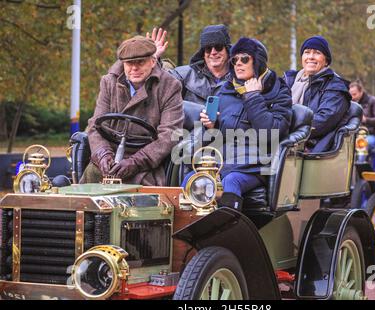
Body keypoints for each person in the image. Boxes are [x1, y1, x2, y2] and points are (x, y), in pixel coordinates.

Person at [182, 37, 293, 210]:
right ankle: (183, 233)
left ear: (258, 61)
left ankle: (228, 233)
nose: (238, 64)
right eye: (234, 60)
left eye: (245, 59)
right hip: (223, 160)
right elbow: (217, 136)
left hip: (255, 165)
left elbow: (273, 132)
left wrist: (254, 97)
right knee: (190, 179)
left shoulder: (278, 89)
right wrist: (211, 126)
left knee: (230, 182)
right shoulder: (226, 89)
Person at [81, 35, 184, 185]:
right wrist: (103, 155)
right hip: (108, 160)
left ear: (153, 61)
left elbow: (169, 136)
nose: (134, 68)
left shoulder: (169, 86)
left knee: (142, 199)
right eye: (129, 63)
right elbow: (95, 126)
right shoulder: (109, 82)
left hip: (146, 165)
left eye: (140, 62)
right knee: (88, 186)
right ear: (123, 64)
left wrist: (134, 163)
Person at [284, 36, 351, 152]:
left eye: (317, 53)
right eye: (307, 52)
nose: (310, 57)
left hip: (311, 147)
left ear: (326, 60)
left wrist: (284, 128)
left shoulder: (335, 87)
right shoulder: (288, 80)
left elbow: (323, 121)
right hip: (283, 138)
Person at [168, 24, 232, 104]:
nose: (213, 52)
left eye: (218, 47)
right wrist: (154, 58)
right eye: (208, 48)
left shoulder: (240, 78)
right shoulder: (183, 75)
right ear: (203, 53)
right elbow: (161, 88)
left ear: (227, 50)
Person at [349, 81, 375, 154]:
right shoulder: (350, 103)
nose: (352, 97)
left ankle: (361, 164)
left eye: (354, 94)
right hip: (354, 135)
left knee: (361, 144)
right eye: (350, 95)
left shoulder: (373, 101)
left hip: (371, 134)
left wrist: (366, 120)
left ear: (361, 91)